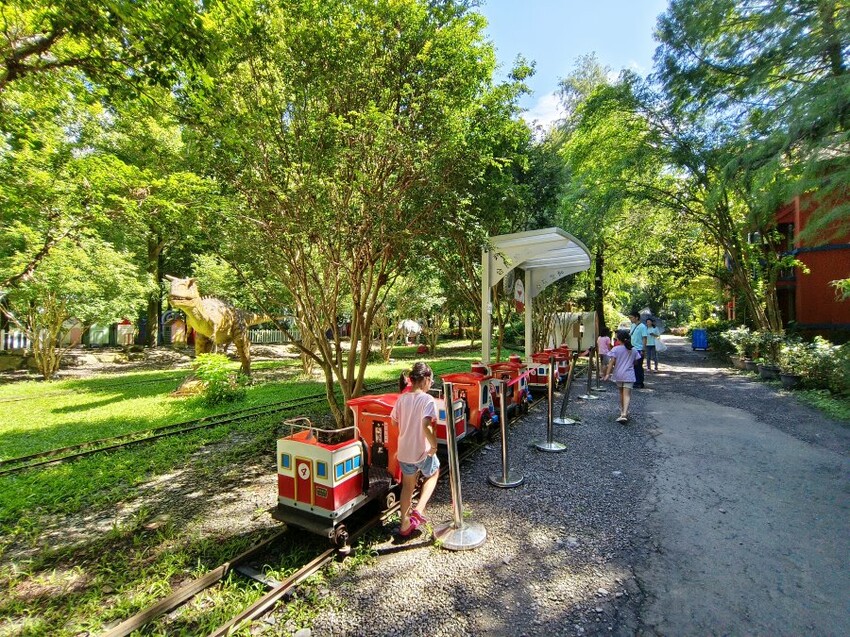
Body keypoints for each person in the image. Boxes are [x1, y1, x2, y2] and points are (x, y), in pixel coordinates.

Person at [390, 362, 440, 537]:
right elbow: (426, 425)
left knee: (407, 487)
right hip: (421, 451)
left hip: (404, 451)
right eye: (431, 381)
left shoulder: (401, 398)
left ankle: (404, 525)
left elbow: (394, 422)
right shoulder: (427, 400)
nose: (430, 384)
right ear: (425, 379)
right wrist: (433, 445)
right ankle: (419, 509)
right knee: (433, 474)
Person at [602, 330, 642, 422]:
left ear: (619, 340)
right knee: (627, 394)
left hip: (618, 374)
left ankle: (622, 411)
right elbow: (636, 362)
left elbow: (611, 363)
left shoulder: (615, 349)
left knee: (621, 393)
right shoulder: (634, 349)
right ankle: (625, 413)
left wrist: (607, 374)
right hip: (629, 374)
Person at [628, 312, 648, 388]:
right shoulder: (632, 325)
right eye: (630, 318)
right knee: (633, 365)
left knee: (638, 365)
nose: (630, 319)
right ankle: (635, 381)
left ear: (637, 317)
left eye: (632, 318)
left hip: (639, 349)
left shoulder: (642, 327)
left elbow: (644, 338)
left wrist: (643, 349)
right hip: (633, 348)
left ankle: (639, 382)